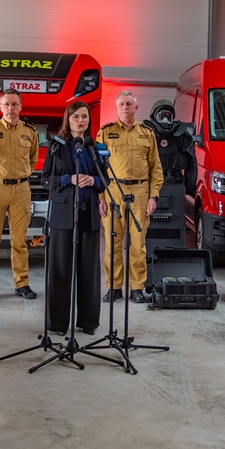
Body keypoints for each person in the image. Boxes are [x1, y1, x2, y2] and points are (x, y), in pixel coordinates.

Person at [41, 102, 104, 335]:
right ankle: (58, 324)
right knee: (60, 270)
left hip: (89, 214)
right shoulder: (56, 146)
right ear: (68, 119)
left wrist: (94, 181)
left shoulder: (94, 147)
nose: (80, 120)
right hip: (63, 215)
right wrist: (70, 179)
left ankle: (88, 322)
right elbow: (45, 179)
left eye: (84, 116)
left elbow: (105, 180)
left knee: (89, 271)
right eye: (76, 116)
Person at [97, 91, 164, 304]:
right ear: (117, 108)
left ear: (136, 108)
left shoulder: (147, 134)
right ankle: (114, 287)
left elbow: (156, 168)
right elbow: (98, 168)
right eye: (121, 104)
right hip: (112, 191)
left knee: (138, 243)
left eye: (129, 104)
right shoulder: (105, 133)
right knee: (112, 242)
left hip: (140, 192)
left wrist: (153, 196)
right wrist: (100, 197)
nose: (125, 107)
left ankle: (136, 288)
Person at [0, 88, 39, 302]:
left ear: (20, 106)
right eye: (6, 104)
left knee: (19, 241)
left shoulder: (30, 131)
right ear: (0, 106)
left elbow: (33, 158)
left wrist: (23, 174)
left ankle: (22, 284)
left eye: (14, 104)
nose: (10, 108)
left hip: (21, 190)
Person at [144, 99, 197, 197]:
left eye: (168, 117)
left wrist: (189, 188)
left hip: (173, 183)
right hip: (150, 183)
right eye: (162, 117)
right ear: (154, 117)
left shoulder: (181, 135)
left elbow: (191, 163)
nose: (165, 120)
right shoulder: (144, 133)